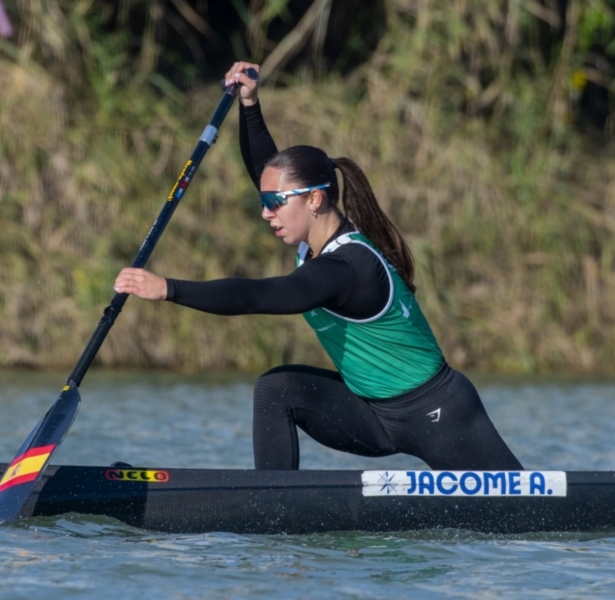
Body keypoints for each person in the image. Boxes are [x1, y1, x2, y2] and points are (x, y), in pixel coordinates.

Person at [114, 62, 523, 472]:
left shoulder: (347, 267)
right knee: (277, 389)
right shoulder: (313, 240)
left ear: (314, 200)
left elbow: (263, 296)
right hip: (373, 416)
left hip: (438, 415)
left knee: (527, 518)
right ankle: (271, 507)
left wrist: (169, 288)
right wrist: (250, 104)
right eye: (264, 201)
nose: (265, 213)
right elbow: (267, 170)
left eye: (275, 204)